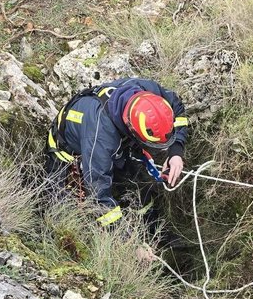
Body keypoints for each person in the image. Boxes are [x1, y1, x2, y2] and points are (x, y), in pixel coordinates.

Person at [45, 77, 189, 232]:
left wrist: (175, 152)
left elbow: (177, 108)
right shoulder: (100, 136)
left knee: (140, 188)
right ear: (132, 129)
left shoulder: (148, 92)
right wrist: (130, 244)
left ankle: (154, 231)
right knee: (60, 214)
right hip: (68, 154)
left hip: (119, 141)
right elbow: (98, 195)